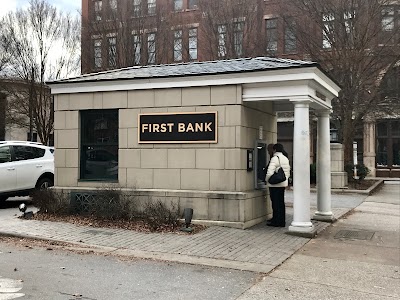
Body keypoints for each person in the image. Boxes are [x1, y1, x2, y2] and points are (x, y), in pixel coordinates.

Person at [265, 143, 291, 227]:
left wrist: (267, 180)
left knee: (275, 203)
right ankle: (282, 221)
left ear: (275, 150)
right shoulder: (285, 158)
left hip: (274, 185)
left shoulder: (275, 158)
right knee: (281, 203)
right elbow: (288, 172)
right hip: (282, 184)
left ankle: (276, 221)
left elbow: (269, 172)